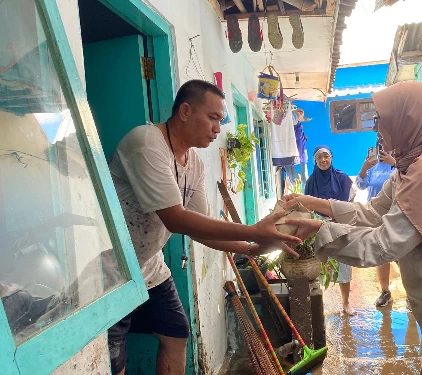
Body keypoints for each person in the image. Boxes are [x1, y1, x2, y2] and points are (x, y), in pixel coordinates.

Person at [287, 82, 422, 375]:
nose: (377, 129)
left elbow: (382, 244)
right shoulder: (410, 165)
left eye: (381, 120)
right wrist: (314, 202)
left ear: (408, 119)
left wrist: (317, 232)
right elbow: (373, 211)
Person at [107, 80, 300, 375]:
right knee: (114, 360)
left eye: (220, 121)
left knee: (176, 333)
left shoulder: (193, 163)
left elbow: (203, 229)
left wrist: (253, 249)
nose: (217, 129)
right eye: (212, 118)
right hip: (112, 271)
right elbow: (177, 219)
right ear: (185, 111)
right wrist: (253, 232)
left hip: (149, 266)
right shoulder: (146, 143)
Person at [304, 145, 355, 315]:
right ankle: (320, 304)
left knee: (344, 263)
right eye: (319, 157)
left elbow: (351, 199)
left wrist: (340, 216)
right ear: (315, 161)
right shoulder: (311, 181)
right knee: (319, 264)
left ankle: (346, 303)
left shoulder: (342, 177)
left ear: (331, 158)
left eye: (326, 156)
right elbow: (306, 206)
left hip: (340, 224)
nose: (323, 160)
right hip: (319, 226)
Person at [356, 145, 396, 306]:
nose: (382, 149)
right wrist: (364, 168)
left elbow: (410, 178)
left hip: (396, 215)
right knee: (382, 255)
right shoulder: (373, 166)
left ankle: (411, 295)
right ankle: (385, 292)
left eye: (386, 146)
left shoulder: (399, 163)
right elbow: (361, 185)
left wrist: (395, 162)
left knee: (405, 256)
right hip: (376, 216)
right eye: (380, 146)